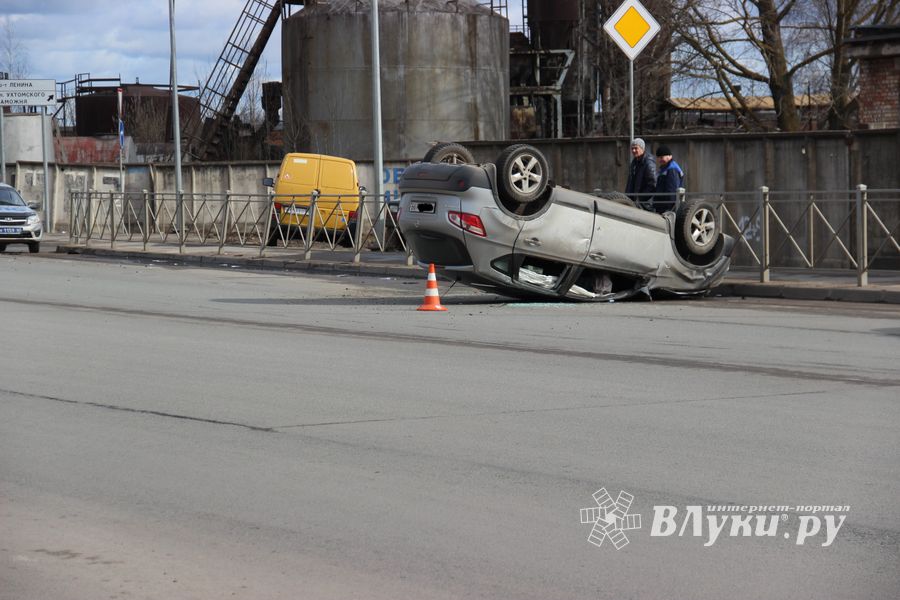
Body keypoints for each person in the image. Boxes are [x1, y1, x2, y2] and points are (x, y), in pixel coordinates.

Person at [624, 138, 657, 208]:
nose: (633, 150)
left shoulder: (648, 162)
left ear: (642, 148)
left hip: (645, 204)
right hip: (634, 202)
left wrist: (640, 199)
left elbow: (653, 183)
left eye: (636, 148)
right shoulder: (634, 163)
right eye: (632, 148)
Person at [652, 145, 684, 214]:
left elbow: (672, 191)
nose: (660, 160)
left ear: (669, 156)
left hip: (666, 208)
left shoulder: (672, 169)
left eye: (661, 157)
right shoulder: (664, 168)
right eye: (658, 157)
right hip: (661, 206)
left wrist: (669, 210)